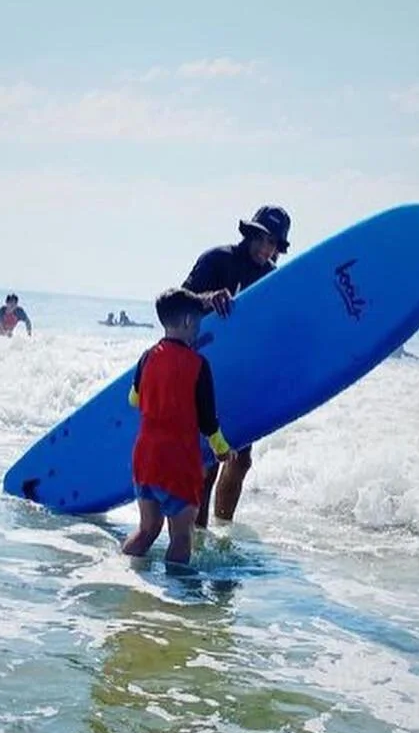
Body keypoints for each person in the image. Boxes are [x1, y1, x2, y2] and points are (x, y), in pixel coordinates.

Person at [181, 204, 292, 527]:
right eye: (262, 239)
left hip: (243, 379)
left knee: (241, 460)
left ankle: (223, 531)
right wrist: (208, 299)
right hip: (204, 372)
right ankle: (197, 533)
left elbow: (274, 332)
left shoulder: (273, 279)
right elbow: (176, 303)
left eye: (273, 243)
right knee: (208, 461)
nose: (266, 249)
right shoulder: (217, 259)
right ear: (250, 233)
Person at [122, 287, 233, 569]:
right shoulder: (198, 364)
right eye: (197, 323)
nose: (198, 329)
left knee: (147, 529)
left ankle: (123, 571)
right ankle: (174, 594)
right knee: (181, 538)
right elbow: (208, 421)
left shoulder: (147, 357)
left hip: (145, 458)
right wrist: (222, 450)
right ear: (187, 321)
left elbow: (134, 399)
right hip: (178, 461)